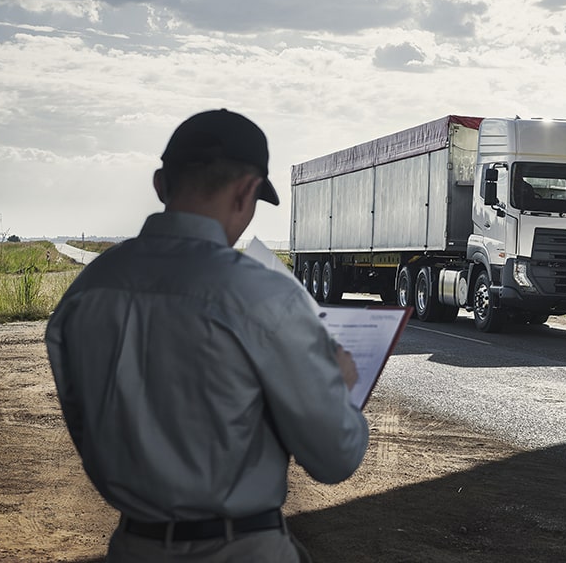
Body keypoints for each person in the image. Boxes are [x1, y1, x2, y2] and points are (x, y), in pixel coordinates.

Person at [45, 109, 369, 562]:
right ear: (247, 191)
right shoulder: (265, 296)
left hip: (132, 547)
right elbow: (336, 457)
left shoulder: (87, 291)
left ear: (161, 185)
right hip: (242, 550)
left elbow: (86, 427)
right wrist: (337, 381)